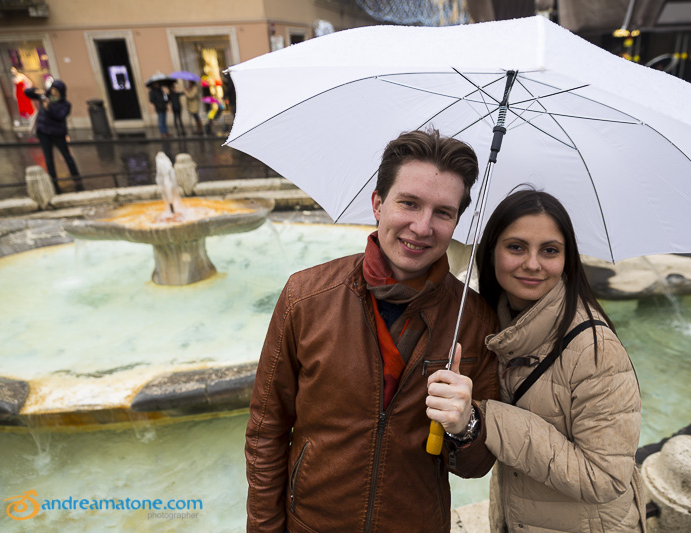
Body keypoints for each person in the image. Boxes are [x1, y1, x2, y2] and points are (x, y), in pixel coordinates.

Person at [245, 129, 500, 532]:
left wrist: (465, 424)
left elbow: (476, 467)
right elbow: (266, 431)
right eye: (409, 203)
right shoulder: (305, 297)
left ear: (456, 221)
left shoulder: (474, 319)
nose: (422, 226)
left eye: (443, 212)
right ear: (378, 204)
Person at [475, 189, 646, 532]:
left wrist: (490, 418)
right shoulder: (498, 324)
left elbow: (606, 477)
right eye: (516, 247)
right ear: (492, 250)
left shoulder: (596, 351)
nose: (533, 264)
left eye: (549, 250)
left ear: (567, 258)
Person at [24, 80, 83, 192]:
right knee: (49, 158)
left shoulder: (65, 104)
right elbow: (27, 93)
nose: (54, 92)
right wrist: (36, 90)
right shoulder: (45, 97)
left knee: (67, 156)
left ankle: (76, 178)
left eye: (56, 90)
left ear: (61, 92)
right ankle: (53, 181)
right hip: (43, 133)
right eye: (53, 89)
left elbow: (60, 116)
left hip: (57, 133)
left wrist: (48, 108)